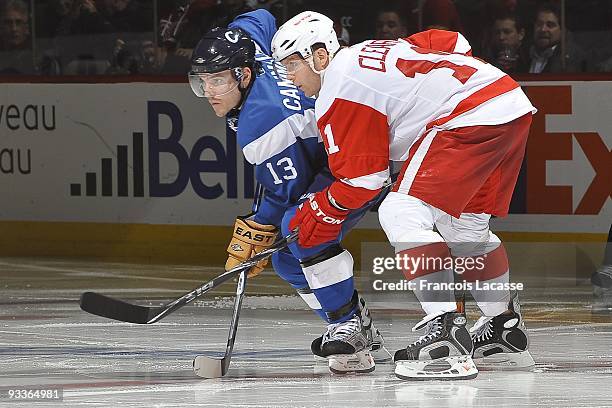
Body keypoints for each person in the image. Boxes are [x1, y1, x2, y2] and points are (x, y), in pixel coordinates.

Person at [272, 10, 536, 380]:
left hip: (467, 116)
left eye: (291, 65)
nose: (289, 78)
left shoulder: (337, 89)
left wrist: (320, 208)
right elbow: (453, 42)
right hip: (508, 103)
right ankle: (504, 328)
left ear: (320, 56)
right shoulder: (369, 51)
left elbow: (365, 180)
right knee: (465, 228)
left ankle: (447, 336)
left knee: (400, 211)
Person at [188, 9, 386, 374]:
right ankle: (352, 324)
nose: (209, 92)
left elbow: (287, 194)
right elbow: (260, 18)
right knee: (286, 258)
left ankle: (348, 328)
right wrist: (229, 38)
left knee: (301, 229)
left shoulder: (263, 124)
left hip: (356, 161)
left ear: (242, 75)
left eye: (217, 81)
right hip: (340, 153)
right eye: (202, 82)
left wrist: (260, 227)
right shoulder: (257, 52)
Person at [528, 2, 587, 73]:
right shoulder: (523, 54)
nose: (543, 29)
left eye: (550, 25)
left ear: (562, 30)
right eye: (539, 24)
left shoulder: (571, 58)